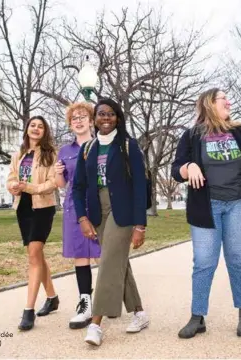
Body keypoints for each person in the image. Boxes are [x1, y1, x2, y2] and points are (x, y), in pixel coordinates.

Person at [171, 88, 241, 339]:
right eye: (224, 99)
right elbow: (175, 168)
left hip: (239, 203)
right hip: (206, 206)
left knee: (238, 260)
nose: (229, 102)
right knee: (204, 263)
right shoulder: (191, 136)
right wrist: (189, 166)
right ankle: (197, 316)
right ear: (210, 104)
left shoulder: (239, 133)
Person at [72, 98, 149, 346]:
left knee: (106, 263)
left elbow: (140, 186)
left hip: (123, 212)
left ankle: (96, 324)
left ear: (117, 118)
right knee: (118, 261)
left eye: (110, 114)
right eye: (101, 114)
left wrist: (140, 225)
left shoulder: (128, 145)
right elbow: (78, 187)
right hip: (98, 212)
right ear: (95, 119)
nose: (105, 118)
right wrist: (82, 217)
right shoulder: (89, 148)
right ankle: (139, 312)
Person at [6, 115, 59, 331]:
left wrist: (30, 188)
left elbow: (53, 182)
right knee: (36, 255)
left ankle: (28, 311)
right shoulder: (18, 154)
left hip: (43, 207)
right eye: (33, 125)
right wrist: (13, 186)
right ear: (27, 129)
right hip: (23, 207)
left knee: (34, 253)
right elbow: (11, 177)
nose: (36, 129)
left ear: (45, 131)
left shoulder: (51, 154)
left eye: (40, 126)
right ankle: (52, 297)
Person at [55, 102, 101, 329]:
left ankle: (109, 300)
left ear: (91, 121)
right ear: (70, 124)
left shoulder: (102, 144)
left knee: (104, 256)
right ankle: (85, 304)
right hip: (75, 208)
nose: (79, 121)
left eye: (83, 117)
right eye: (74, 119)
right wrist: (57, 175)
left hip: (101, 206)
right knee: (81, 257)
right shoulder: (65, 151)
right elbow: (63, 184)